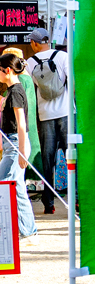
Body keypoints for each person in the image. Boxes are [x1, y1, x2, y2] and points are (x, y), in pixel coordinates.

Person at [27, 29, 66, 215]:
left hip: (45, 115)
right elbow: (73, 84)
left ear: (34, 43)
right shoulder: (63, 56)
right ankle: (76, 201)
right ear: (49, 41)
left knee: (47, 160)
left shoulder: (30, 62)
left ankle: (48, 204)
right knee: (73, 157)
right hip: (66, 112)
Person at [0, 53, 36, 239]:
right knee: (15, 187)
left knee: (10, 186)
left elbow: (21, 124)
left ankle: (26, 231)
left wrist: (22, 153)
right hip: (12, 145)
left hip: (16, 146)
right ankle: (27, 230)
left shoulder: (15, 92)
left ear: (7, 71)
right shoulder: (13, 91)